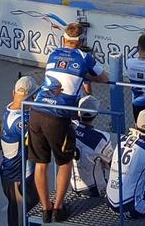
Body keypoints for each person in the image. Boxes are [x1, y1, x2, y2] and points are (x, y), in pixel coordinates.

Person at [28, 21, 109, 223]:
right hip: (58, 116)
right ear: (81, 41)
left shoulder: (53, 54)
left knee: (40, 164)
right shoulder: (85, 56)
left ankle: (45, 210)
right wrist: (87, 75)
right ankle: (58, 208)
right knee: (64, 163)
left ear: (64, 39)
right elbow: (105, 78)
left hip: (36, 112)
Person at [1, 75, 39, 226]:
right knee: (20, 218)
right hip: (19, 179)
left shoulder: (10, 108)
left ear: (13, 93)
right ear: (32, 97)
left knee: (29, 212)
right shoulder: (21, 123)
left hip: (15, 175)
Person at [72, 95, 113, 197]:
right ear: (96, 114)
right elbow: (112, 164)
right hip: (93, 188)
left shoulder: (69, 128)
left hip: (74, 184)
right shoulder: (101, 138)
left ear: (78, 113)